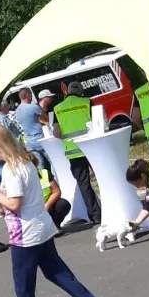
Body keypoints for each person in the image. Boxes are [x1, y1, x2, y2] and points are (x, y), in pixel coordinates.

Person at [0, 123, 119, 297]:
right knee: (58, 273)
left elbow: (15, 204)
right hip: (41, 227)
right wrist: (2, 201)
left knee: (23, 284)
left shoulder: (11, 169)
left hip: (26, 234)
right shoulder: (25, 162)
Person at [53, 81, 101, 224]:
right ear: (80, 92)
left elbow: (56, 133)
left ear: (67, 92)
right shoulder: (87, 102)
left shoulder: (57, 108)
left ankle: (95, 215)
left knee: (84, 184)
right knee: (103, 178)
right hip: (92, 148)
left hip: (73, 152)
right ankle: (110, 206)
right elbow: (98, 123)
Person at [14, 87, 49, 171]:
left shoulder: (17, 111)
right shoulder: (33, 107)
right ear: (27, 95)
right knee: (53, 160)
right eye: (31, 94)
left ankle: (43, 179)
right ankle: (57, 178)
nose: (32, 96)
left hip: (29, 142)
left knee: (39, 166)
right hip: (41, 138)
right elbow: (47, 119)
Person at [33, 156, 71, 229]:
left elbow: (56, 191)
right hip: (33, 210)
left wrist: (47, 205)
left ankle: (54, 226)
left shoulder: (44, 173)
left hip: (47, 206)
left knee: (63, 204)